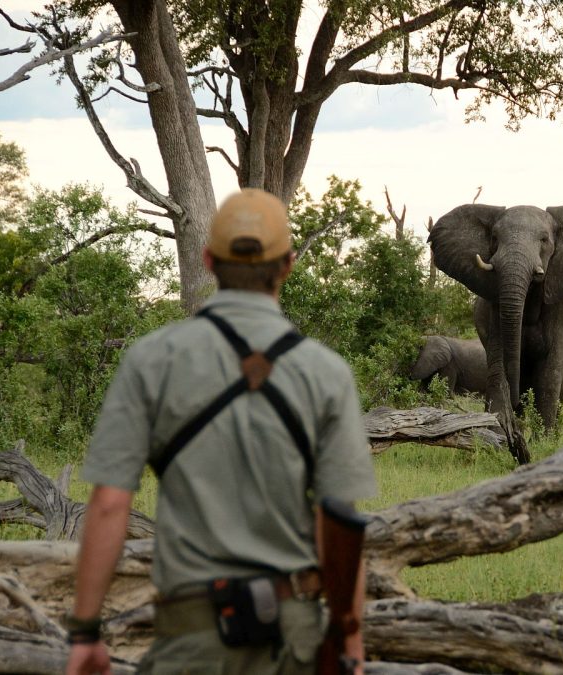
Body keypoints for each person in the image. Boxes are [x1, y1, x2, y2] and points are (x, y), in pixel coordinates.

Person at [65, 189, 377, 675]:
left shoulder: (152, 358)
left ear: (208, 260)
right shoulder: (327, 373)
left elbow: (108, 503)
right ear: (288, 265)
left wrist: (86, 633)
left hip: (190, 638)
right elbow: (338, 521)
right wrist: (350, 639)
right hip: (294, 640)